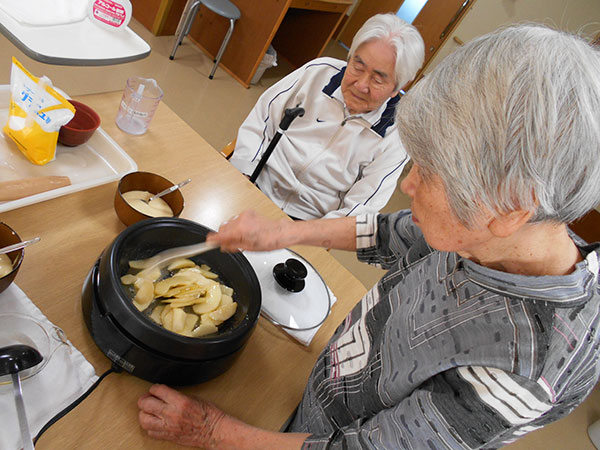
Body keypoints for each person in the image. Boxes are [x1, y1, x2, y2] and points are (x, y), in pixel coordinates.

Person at [138, 24, 600, 449]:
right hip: (322, 388)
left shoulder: (525, 367)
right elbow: (386, 232)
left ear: (509, 209)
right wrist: (277, 231)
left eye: (430, 173)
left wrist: (211, 430)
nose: (407, 186)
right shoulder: (487, 232)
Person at [229, 13, 425, 220]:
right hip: (256, 179)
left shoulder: (397, 135)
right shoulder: (318, 72)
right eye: (357, 67)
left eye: (377, 80)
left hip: (307, 222)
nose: (361, 85)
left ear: (396, 88)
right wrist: (244, 176)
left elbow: (361, 208)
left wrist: (303, 234)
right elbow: (261, 120)